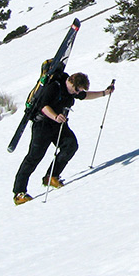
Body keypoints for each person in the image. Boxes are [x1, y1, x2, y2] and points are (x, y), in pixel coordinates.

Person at [13, 72, 114, 205]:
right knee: (34, 157)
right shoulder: (54, 87)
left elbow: (84, 96)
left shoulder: (73, 91)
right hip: (42, 124)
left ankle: (51, 176)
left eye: (80, 91)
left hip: (58, 125)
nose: (78, 93)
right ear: (71, 83)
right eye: (77, 90)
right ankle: (19, 193)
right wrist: (55, 116)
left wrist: (104, 93)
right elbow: (44, 106)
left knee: (70, 145)